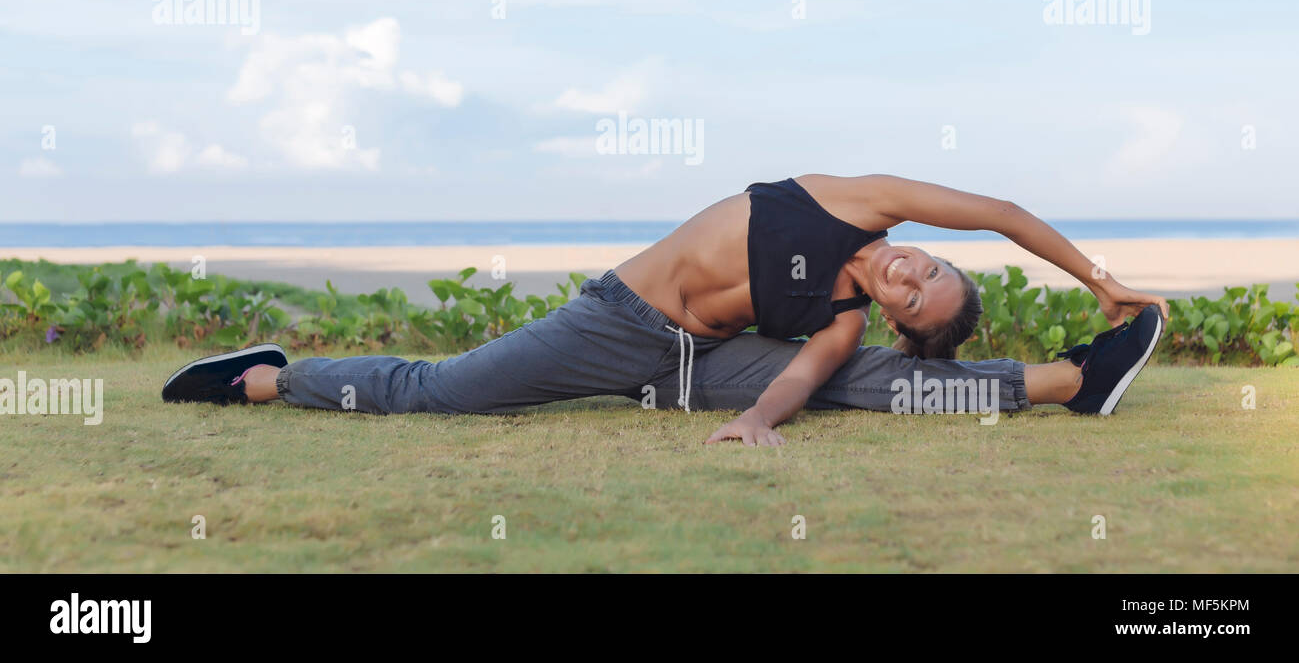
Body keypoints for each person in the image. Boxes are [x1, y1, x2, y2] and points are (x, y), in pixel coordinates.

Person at [162, 174, 1170, 444]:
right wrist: (1098, 276)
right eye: (928, 263)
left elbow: (801, 375)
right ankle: (270, 375)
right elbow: (997, 210)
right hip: (614, 324)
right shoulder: (856, 198)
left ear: (905, 312)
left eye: (919, 291)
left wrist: (754, 419)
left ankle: (1073, 380)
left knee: (872, 389)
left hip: (692, 367)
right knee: (448, 390)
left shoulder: (847, 321)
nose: (910, 267)